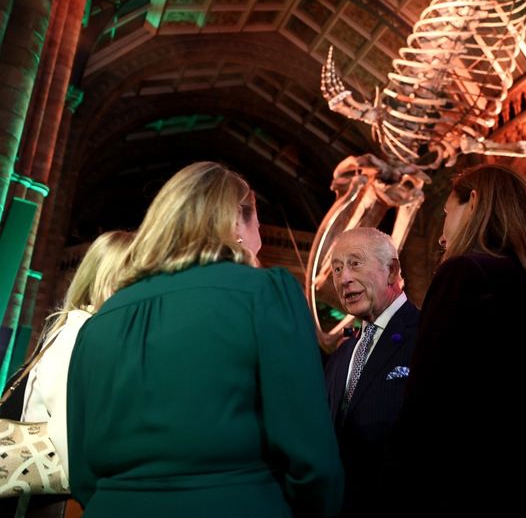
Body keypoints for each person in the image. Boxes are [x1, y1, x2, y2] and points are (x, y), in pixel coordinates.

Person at [66, 161, 343, 518]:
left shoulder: (101, 319)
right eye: (257, 217)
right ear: (236, 223)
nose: (259, 227)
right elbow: (310, 454)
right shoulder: (266, 293)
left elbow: (83, 471)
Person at [391, 164, 526, 516]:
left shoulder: (466, 274)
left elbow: (427, 411)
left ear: (473, 203)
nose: (442, 236)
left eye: (445, 214)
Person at [0, 230, 133, 518]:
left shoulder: (82, 330)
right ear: (106, 279)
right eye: (131, 281)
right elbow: (68, 435)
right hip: (53, 502)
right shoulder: (78, 332)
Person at [323, 228, 419, 518]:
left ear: (391, 270)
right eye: (337, 268)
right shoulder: (340, 356)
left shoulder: (429, 336)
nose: (343, 279)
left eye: (355, 263)